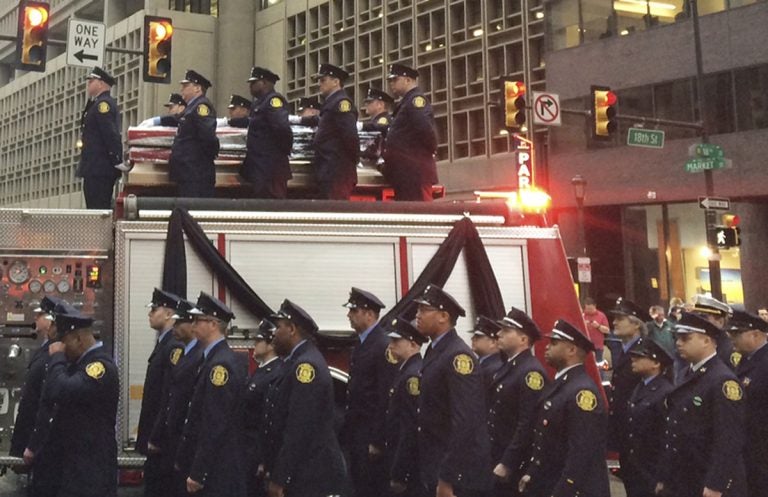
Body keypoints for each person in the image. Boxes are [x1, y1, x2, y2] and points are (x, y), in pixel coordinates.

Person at [655, 312, 746, 497]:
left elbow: (728, 437)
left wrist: (716, 483)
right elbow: (674, 430)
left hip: (706, 478)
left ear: (706, 341)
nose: (679, 343)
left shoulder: (722, 381)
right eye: (677, 338)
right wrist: (664, 475)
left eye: (685, 338)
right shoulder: (688, 374)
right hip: (685, 476)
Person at [262, 299, 347, 497]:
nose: (274, 333)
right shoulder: (294, 361)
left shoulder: (306, 367)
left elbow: (299, 428)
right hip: (301, 471)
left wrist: (281, 477)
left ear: (292, 329)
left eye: (278, 327)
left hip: (308, 475)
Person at [414, 284, 492, 497]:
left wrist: (447, 477)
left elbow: (465, 422)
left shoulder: (458, 357)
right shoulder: (436, 349)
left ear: (443, 316)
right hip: (437, 464)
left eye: (423, 310)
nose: (417, 316)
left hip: (457, 476)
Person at [518, 319, 610, 497]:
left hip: (575, 488)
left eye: (554, 343)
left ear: (571, 350)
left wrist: (566, 489)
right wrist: (532, 472)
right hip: (552, 480)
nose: (546, 347)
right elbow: (546, 440)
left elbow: (581, 450)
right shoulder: (562, 384)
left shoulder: (582, 392)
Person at [43, 308, 120, 497]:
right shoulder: (81, 364)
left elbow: (60, 390)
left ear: (78, 339)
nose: (61, 346)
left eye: (64, 341)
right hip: (76, 465)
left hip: (90, 470)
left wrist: (57, 358)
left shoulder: (99, 367)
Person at [176, 292, 246, 497]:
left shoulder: (220, 366)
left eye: (199, 320)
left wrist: (199, 472)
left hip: (219, 471)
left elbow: (214, 424)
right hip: (216, 467)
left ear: (214, 324)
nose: (193, 325)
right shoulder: (211, 359)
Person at [342, 287, 398, 497]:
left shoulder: (383, 346)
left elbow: (386, 395)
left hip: (371, 435)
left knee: (371, 487)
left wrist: (377, 439)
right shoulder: (362, 344)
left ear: (369, 314)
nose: (349, 315)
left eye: (353, 311)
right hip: (358, 433)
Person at [147, 297, 204, 497]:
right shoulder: (187, 352)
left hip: (181, 438)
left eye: (181, 323)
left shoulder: (195, 355)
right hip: (171, 436)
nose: (175, 327)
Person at [489, 307, 548, 497]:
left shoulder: (530, 372)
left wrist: (508, 462)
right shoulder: (510, 366)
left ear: (523, 339)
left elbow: (527, 422)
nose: (499, 334)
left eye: (506, 331)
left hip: (515, 463)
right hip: (497, 452)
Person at [137, 288, 184, 497]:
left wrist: (156, 436)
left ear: (168, 314)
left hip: (163, 442)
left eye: (154, 309)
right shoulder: (164, 343)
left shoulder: (173, 346)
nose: (150, 313)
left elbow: (169, 396)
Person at [622, 339, 674, 497]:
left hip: (651, 469)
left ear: (656, 363)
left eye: (639, 357)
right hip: (635, 467)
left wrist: (664, 476)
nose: (633, 360)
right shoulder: (641, 386)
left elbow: (667, 438)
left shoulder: (665, 392)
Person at [9, 296, 60, 459]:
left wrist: (33, 445)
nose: (35, 318)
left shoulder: (56, 351)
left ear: (50, 320)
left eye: (40, 315)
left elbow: (48, 403)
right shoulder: (46, 348)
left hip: (42, 444)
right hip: (30, 432)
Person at [382, 63, 438, 201]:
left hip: (415, 171)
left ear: (408, 80)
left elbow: (425, 130)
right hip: (406, 173)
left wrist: (421, 155)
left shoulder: (415, 101)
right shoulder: (405, 102)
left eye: (395, 80)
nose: (391, 84)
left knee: (420, 215)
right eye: (390, 81)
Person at [727, 310, 768, 497]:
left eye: (736, 334)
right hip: (750, 445)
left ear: (756, 335)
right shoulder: (745, 359)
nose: (731, 339)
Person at [384, 315, 425, 497]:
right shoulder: (405, 370)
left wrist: (400, 472)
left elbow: (410, 427)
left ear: (413, 344)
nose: (391, 345)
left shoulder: (412, 376)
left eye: (396, 340)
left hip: (409, 463)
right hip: (398, 453)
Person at [304, 63, 359, 199]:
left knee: (336, 212)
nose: (319, 84)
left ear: (336, 82)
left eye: (323, 80)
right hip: (329, 168)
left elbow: (350, 136)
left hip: (337, 170)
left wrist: (351, 161)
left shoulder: (341, 103)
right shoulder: (332, 103)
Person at [243, 319, 283, 497]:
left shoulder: (275, 373)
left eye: (258, 341)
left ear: (270, 345)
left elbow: (267, 419)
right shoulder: (261, 370)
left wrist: (263, 459)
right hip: (248, 447)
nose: (254, 344)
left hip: (257, 447)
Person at [242, 66, 293, 199]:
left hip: (271, 169)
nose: (250, 86)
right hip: (260, 167)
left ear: (264, 83)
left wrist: (279, 153)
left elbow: (282, 129)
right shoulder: (259, 104)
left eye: (254, 83)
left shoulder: (273, 101)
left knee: (273, 210)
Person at [76, 66, 122, 209]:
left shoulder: (103, 105)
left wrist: (116, 160)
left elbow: (110, 134)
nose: (88, 84)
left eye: (92, 81)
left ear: (101, 83)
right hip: (94, 167)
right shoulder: (96, 103)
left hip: (100, 168)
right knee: (94, 206)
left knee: (98, 207)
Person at [169, 69, 220, 198]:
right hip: (188, 171)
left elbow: (208, 137)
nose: (182, 90)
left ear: (197, 88)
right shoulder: (191, 108)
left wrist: (201, 159)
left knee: (195, 209)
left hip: (196, 172)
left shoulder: (201, 107)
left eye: (186, 86)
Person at [607, 298, 646, 461]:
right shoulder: (624, 349)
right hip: (625, 432)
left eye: (620, 319)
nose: (614, 323)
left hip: (639, 436)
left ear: (636, 324)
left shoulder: (644, 352)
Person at [690, 294, 738, 370]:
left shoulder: (729, 350)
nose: (698, 322)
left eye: (704, 318)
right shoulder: (696, 346)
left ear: (720, 322)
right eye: (697, 317)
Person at [469, 315, 504, 389]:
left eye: (478, 336)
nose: (472, 339)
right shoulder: (478, 363)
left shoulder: (497, 368)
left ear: (493, 342)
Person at [581, 297, 609, 361]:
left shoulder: (601, 315)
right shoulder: (582, 315)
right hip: (585, 346)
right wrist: (583, 325)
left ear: (595, 306)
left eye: (590, 309)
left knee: (598, 364)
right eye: (587, 309)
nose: (588, 311)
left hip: (597, 346)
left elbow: (607, 331)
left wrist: (598, 326)